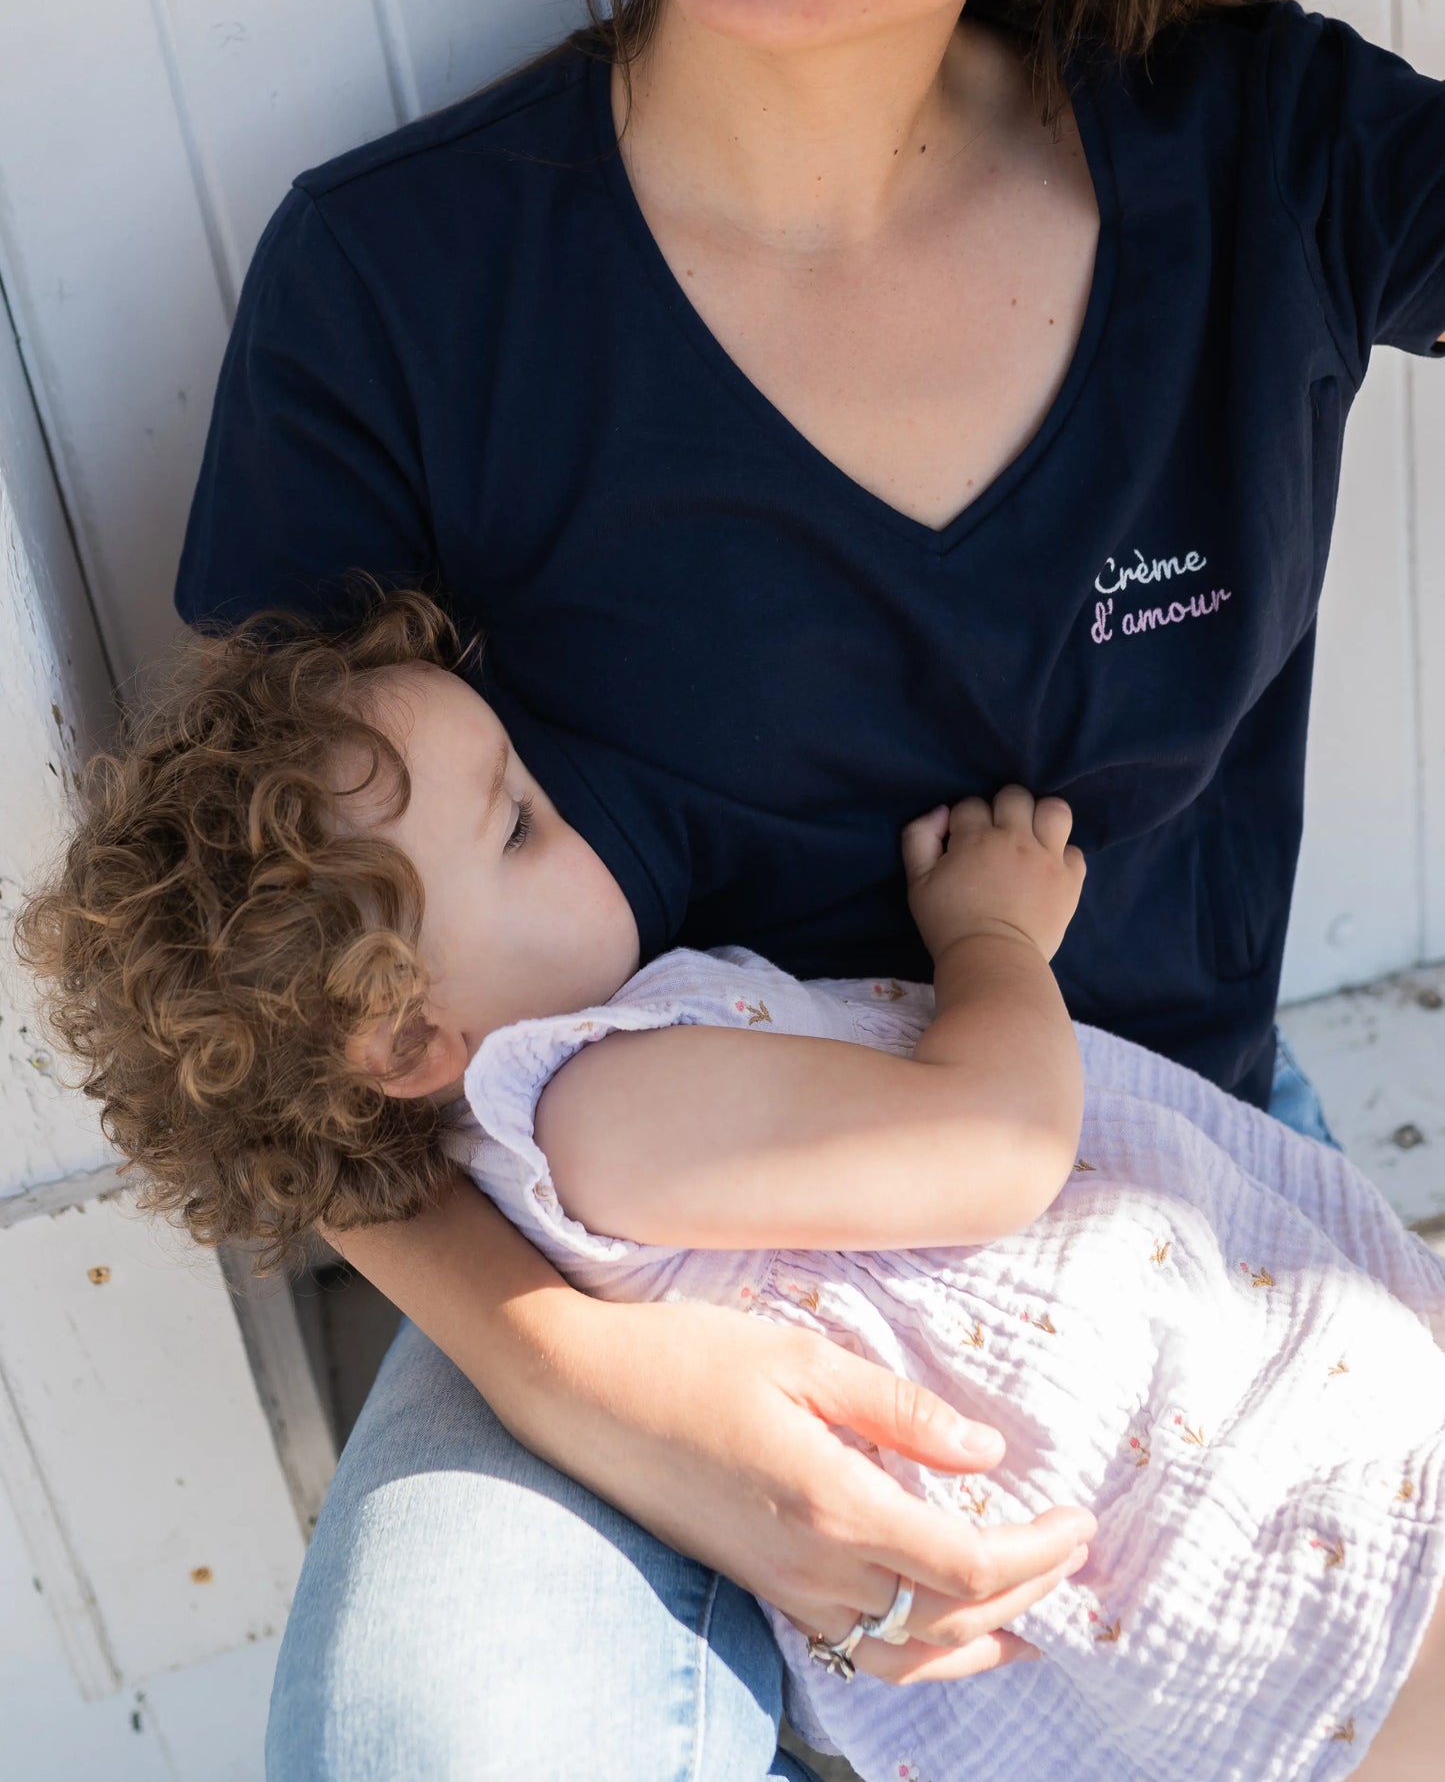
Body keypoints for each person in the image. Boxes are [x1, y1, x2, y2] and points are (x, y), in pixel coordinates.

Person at [169, 0, 1445, 1772]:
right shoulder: (404, 285)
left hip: (1154, 1211)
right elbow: (261, 998)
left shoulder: (1251, 154)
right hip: (623, 1247)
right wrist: (601, 1387)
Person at [18, 595, 1445, 1780]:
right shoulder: (599, 1105)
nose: (570, 813)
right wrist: (993, 940)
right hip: (1237, 1537)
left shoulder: (585, 1105)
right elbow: (996, 1149)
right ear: (404, 1043)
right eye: (517, 826)